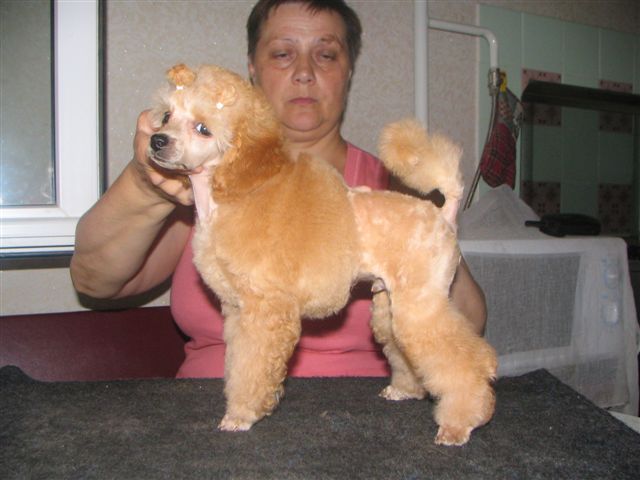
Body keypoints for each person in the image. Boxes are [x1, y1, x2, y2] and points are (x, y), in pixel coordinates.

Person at [70, 0, 487, 378]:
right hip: (208, 410)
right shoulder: (201, 181)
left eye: (326, 54)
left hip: (366, 414)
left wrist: (423, 223)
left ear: (348, 71)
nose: (304, 72)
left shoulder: (389, 186)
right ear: (252, 67)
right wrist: (146, 185)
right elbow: (96, 282)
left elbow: (469, 319)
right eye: (283, 54)